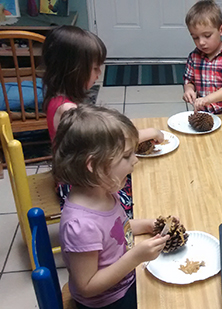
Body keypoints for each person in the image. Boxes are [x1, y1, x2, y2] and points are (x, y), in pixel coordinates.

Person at [53, 104, 170, 309]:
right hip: (108, 301)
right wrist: (135, 257)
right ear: (93, 165)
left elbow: (115, 228)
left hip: (124, 281)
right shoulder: (81, 226)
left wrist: (148, 225)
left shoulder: (103, 191)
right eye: (126, 156)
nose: (135, 160)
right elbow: (86, 286)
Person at [42, 25, 164, 216]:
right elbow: (110, 145)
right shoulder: (68, 110)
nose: (99, 73)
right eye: (94, 68)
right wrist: (152, 132)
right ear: (73, 70)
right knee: (143, 194)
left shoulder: (57, 97)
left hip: (75, 172)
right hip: (79, 184)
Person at [183, 0, 222, 114]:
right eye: (195, 37)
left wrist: (208, 99)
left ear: (221, 30)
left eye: (207, 36)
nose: (201, 42)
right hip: (204, 114)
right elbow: (189, 81)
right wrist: (189, 90)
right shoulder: (194, 57)